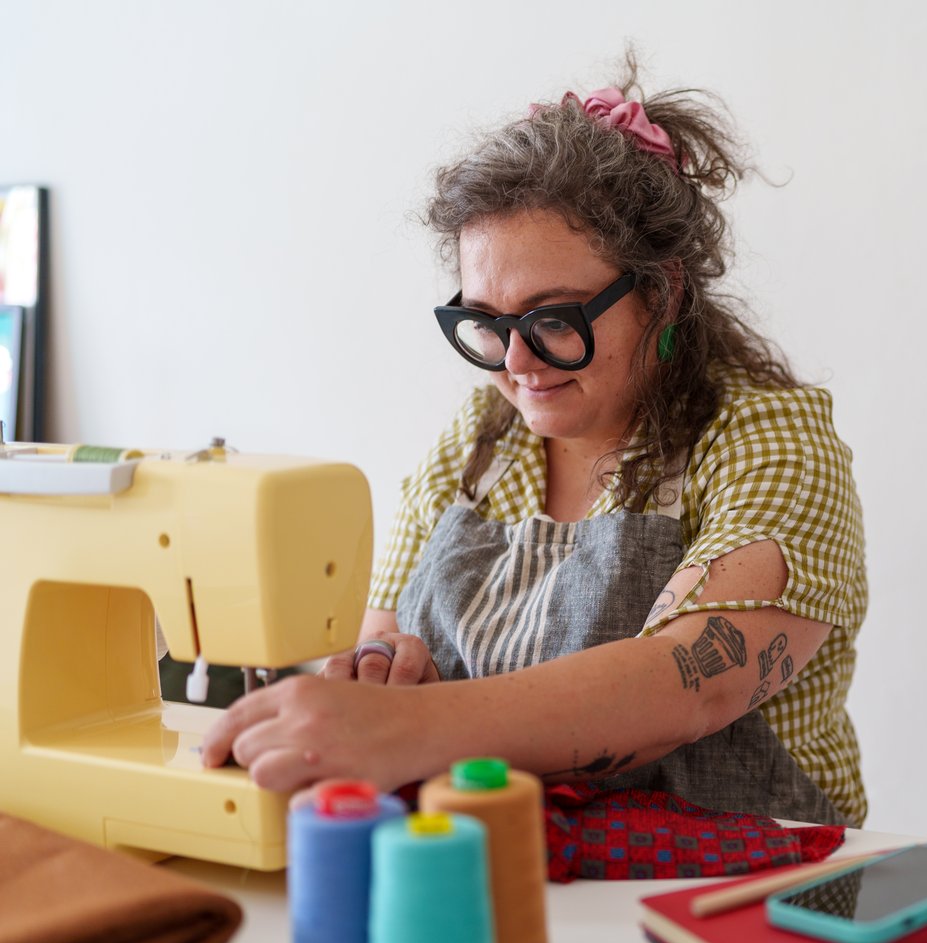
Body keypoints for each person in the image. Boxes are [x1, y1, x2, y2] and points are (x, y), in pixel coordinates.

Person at [202, 61, 867, 826]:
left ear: (664, 290)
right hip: (518, 861)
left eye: (555, 319)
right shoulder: (481, 449)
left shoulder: (767, 438)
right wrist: (382, 674)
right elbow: (382, 637)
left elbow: (690, 679)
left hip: (747, 886)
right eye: (486, 323)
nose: (516, 365)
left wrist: (407, 729)